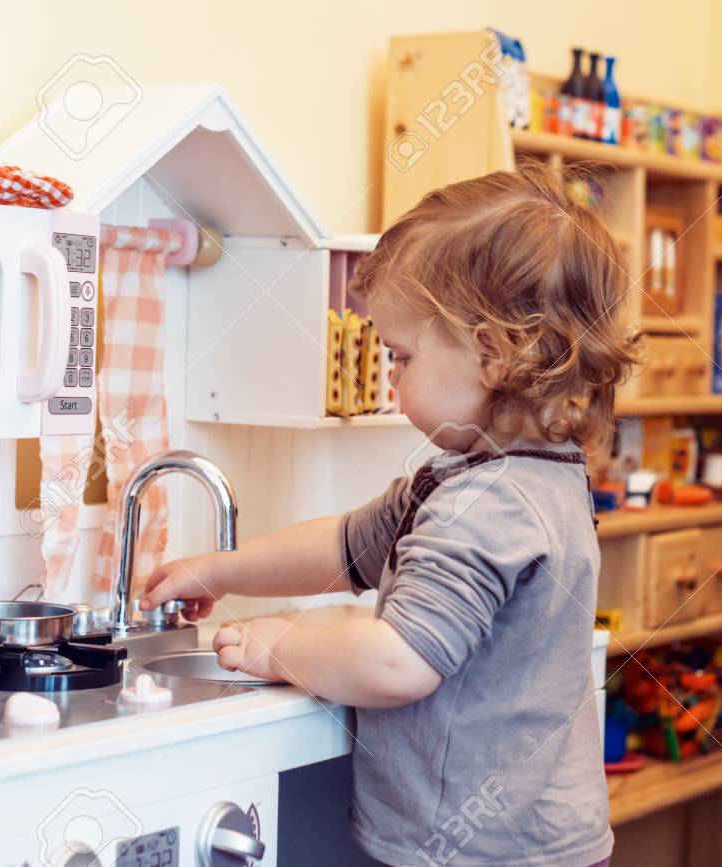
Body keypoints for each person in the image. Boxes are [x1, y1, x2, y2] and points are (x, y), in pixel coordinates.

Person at [140, 161, 640, 867]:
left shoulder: (486, 503)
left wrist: (275, 644)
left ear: (491, 354)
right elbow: (346, 546)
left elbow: (396, 660)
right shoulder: (513, 476)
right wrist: (220, 568)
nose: (391, 376)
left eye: (400, 355)